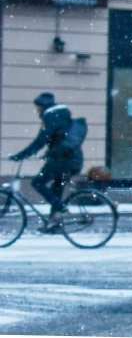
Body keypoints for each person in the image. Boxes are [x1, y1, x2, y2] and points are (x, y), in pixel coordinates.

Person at [7, 93, 83, 233]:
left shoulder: (51, 117)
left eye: (38, 108)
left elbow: (41, 141)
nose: (37, 111)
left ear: (43, 107)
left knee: (37, 183)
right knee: (56, 188)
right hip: (72, 159)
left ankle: (60, 208)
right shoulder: (61, 115)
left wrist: (21, 155)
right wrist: (47, 154)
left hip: (62, 160)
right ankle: (55, 224)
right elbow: (59, 139)